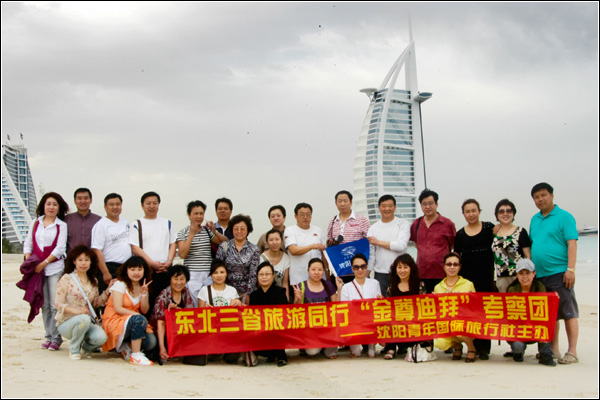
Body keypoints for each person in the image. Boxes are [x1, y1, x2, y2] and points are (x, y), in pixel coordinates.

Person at [529, 182, 579, 365]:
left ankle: (572, 351)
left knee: (568, 312)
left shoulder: (564, 217)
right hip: (540, 275)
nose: (540, 199)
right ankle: (554, 349)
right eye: (536, 197)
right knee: (551, 314)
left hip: (560, 273)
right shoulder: (535, 219)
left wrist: (570, 269)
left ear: (551, 195)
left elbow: (572, 243)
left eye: (543, 195)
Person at [23, 192, 69, 351]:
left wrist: (44, 263)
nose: (51, 207)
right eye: (48, 204)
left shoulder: (61, 225)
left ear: (59, 208)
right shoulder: (35, 223)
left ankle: (56, 338)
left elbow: (60, 248)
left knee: (54, 304)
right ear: (43, 205)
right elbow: (28, 243)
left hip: (54, 268)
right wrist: (29, 261)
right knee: (43, 304)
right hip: (37, 269)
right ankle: (48, 336)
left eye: (55, 204)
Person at [453, 199, 495, 360]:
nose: (471, 214)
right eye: (467, 211)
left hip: (486, 278)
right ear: (463, 214)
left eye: (473, 210)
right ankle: (472, 346)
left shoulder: (489, 228)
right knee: (470, 314)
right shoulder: (460, 234)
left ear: (479, 211)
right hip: (467, 280)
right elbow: (457, 258)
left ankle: (484, 348)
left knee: (485, 313)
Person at [54, 246, 112, 360]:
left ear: (91, 262)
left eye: (86, 260)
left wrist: (107, 291)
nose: (83, 263)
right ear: (74, 262)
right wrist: (77, 312)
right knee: (83, 319)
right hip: (67, 322)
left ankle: (85, 348)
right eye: (80, 260)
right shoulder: (66, 278)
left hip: (86, 322)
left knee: (102, 338)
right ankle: (74, 349)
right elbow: (58, 303)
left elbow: (95, 303)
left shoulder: (93, 281)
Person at [101, 256, 156, 366]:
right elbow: (118, 308)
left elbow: (145, 310)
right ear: (126, 270)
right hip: (115, 319)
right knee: (139, 319)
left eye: (139, 269)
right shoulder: (120, 284)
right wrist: (137, 315)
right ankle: (135, 355)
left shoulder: (142, 286)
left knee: (151, 342)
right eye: (132, 269)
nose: (136, 273)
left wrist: (144, 294)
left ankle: (126, 347)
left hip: (132, 321)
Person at [129, 191, 177, 311]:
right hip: (147, 270)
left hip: (165, 269)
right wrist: (151, 263)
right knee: (148, 302)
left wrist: (169, 261)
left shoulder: (167, 223)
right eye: (148, 203)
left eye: (155, 203)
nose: (152, 206)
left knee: (167, 302)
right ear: (142, 205)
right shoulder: (136, 224)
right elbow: (135, 247)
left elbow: (172, 244)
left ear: (158, 204)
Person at [506, 259, 556, 366]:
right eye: (521, 273)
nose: (524, 277)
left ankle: (545, 354)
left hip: (536, 327)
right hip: (520, 329)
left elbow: (544, 312)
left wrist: (554, 299)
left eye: (527, 273)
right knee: (518, 347)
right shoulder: (512, 289)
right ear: (517, 275)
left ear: (534, 274)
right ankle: (518, 352)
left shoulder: (540, 287)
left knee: (545, 327)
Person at [176, 200, 228, 301]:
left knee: (209, 300)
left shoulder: (207, 231)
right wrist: (191, 234)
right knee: (194, 303)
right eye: (196, 213)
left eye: (201, 213)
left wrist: (215, 231)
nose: (199, 216)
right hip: (192, 273)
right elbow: (182, 254)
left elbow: (225, 243)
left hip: (208, 273)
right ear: (189, 215)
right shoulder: (183, 232)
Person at [292, 258, 343, 359]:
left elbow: (336, 307)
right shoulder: (301, 286)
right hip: (309, 328)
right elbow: (295, 312)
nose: (316, 272)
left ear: (323, 271)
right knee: (312, 351)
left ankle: (327, 348)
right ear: (308, 271)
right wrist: (298, 299)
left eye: (319, 269)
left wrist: (339, 289)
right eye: (313, 269)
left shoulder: (328, 285)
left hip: (326, 327)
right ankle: (310, 346)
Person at [433, 252, 477, 363]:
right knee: (439, 343)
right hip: (447, 326)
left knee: (459, 330)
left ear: (460, 267)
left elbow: (476, 308)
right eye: (449, 264)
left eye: (455, 264)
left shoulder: (468, 284)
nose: (452, 267)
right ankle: (457, 346)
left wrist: (472, 299)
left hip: (465, 324)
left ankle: (471, 348)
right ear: (444, 267)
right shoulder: (438, 287)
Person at [197, 260, 243, 365]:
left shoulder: (232, 290)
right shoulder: (204, 290)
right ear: (211, 275)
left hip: (228, 328)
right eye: (215, 273)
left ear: (226, 274)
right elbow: (199, 314)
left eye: (222, 272)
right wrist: (205, 309)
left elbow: (237, 313)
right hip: (211, 329)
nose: (219, 276)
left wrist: (238, 303)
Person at [410, 189, 456, 293]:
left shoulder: (447, 224)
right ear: (421, 206)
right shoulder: (416, 224)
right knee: (424, 302)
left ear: (436, 204)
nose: (427, 207)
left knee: (442, 302)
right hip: (421, 273)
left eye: (431, 203)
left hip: (442, 273)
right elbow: (416, 243)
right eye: (424, 204)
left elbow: (452, 244)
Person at [382, 254, 426, 359]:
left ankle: (412, 346)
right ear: (395, 269)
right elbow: (389, 308)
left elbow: (423, 306)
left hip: (413, 321)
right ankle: (391, 348)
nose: (402, 270)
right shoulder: (391, 287)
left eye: (406, 267)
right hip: (397, 322)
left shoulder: (419, 285)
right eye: (399, 267)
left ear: (411, 269)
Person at [150, 264, 195, 363]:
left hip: (177, 331)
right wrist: (162, 348)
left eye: (182, 279)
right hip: (160, 334)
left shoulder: (186, 292)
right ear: (170, 280)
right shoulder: (163, 296)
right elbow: (160, 323)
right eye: (175, 279)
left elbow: (190, 315)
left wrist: (178, 312)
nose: (178, 282)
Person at [367, 194, 411, 294]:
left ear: (395, 207)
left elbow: (401, 246)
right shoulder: (373, 228)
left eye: (390, 206)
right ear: (379, 208)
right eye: (384, 206)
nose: (387, 209)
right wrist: (366, 274)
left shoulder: (403, 224)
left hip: (401, 273)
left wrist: (378, 242)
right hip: (380, 274)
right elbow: (372, 255)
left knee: (402, 301)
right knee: (382, 302)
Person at [340, 253, 381, 358]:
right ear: (352, 268)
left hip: (370, 320)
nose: (360, 270)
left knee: (371, 354)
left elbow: (377, 305)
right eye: (356, 267)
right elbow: (344, 309)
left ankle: (371, 347)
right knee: (356, 353)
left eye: (363, 266)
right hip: (354, 321)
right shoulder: (346, 287)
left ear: (367, 267)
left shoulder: (375, 283)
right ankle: (354, 347)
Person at [248, 261, 289, 367]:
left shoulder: (280, 292)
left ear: (273, 275)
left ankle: (281, 356)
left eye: (267, 274)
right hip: (261, 329)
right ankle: (268, 354)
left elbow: (285, 313)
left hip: (276, 327)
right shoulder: (254, 295)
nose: (264, 277)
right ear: (257, 276)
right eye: (261, 274)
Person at [91, 193, 132, 294]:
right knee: (109, 299)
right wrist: (105, 272)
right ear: (105, 207)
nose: (115, 207)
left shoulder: (125, 223)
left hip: (126, 268)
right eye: (111, 204)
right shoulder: (101, 225)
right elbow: (97, 250)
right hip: (110, 268)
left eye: (118, 204)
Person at [326, 190, 370, 283]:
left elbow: (370, 243)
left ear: (351, 202)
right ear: (336, 203)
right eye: (340, 201)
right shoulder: (332, 221)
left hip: (358, 270)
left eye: (345, 201)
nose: (342, 204)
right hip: (340, 270)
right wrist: (331, 242)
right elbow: (328, 242)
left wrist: (368, 269)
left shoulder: (362, 220)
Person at [215, 214, 260, 304]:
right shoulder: (224, 246)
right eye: (236, 229)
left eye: (242, 229)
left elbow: (253, 274)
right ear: (232, 230)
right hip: (226, 292)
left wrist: (248, 293)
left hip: (245, 292)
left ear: (248, 230)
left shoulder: (254, 249)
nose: (239, 231)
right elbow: (217, 269)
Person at [492, 199, 531, 292]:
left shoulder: (521, 231)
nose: (505, 214)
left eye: (509, 211)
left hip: (519, 278)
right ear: (497, 215)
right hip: (501, 278)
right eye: (501, 211)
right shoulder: (494, 234)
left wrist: (526, 276)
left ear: (513, 213)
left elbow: (528, 256)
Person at [284, 203, 328, 286]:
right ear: (296, 216)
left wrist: (327, 274)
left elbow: (324, 254)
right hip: (298, 279)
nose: (305, 217)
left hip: (319, 279)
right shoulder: (290, 230)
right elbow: (293, 250)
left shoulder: (318, 230)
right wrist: (313, 246)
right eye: (302, 215)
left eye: (308, 214)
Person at [63, 188, 102, 254]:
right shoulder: (66, 220)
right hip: (71, 259)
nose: (83, 201)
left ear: (91, 200)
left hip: (92, 259)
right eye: (79, 198)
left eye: (86, 198)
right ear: (75, 201)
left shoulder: (99, 221)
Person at [259, 229, 290, 300]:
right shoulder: (261, 258)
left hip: (279, 295)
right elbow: (259, 282)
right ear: (267, 242)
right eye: (271, 240)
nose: (274, 242)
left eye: (277, 239)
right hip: (265, 295)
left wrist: (286, 299)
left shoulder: (286, 258)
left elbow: (285, 282)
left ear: (281, 241)